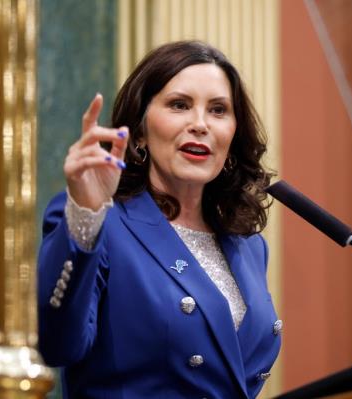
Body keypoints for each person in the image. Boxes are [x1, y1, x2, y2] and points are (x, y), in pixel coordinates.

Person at [37, 40, 282, 399]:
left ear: (233, 133)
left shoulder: (248, 245)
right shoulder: (97, 221)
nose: (200, 124)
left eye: (218, 110)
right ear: (138, 131)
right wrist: (86, 216)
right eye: (179, 105)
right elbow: (56, 346)